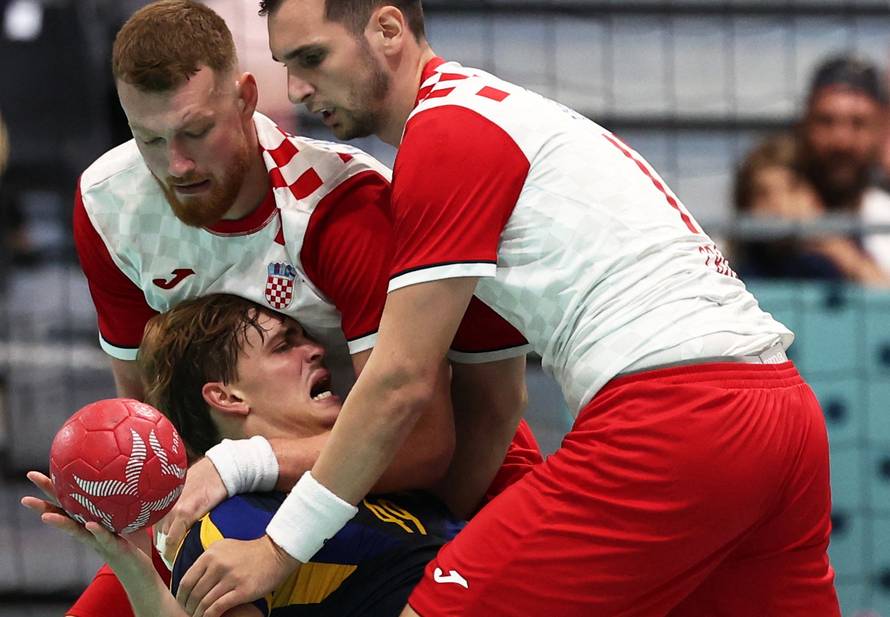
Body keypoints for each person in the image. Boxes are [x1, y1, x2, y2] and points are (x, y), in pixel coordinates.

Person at [174, 1, 840, 616]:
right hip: (783, 412)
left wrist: (280, 546)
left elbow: (399, 382)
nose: (297, 90)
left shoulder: (444, 136)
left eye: (312, 58)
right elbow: (497, 399)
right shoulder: (498, 115)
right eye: (286, 65)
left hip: (674, 421)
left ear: (388, 29)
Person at [69, 1, 539, 615]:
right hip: (276, 482)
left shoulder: (338, 208)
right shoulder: (110, 205)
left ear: (245, 99)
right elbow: (152, 421)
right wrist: (148, 520)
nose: (175, 164)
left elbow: (424, 438)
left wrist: (241, 467)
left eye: (196, 131)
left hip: (448, 462)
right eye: (149, 138)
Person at [24, 293, 475, 617]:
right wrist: (136, 572)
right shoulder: (230, 528)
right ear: (227, 397)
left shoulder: (377, 475)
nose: (317, 350)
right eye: (284, 345)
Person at [733, 132, 890, 286]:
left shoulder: (846, 250)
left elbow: (882, 290)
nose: (778, 204)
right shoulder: (742, 269)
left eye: (791, 188)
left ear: (815, 195)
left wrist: (833, 245)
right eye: (762, 194)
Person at [799, 54, 890, 275]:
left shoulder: (883, 216)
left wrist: (825, 237)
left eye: (858, 123)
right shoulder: (766, 200)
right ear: (805, 124)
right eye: (826, 121)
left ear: (881, 129)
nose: (841, 141)